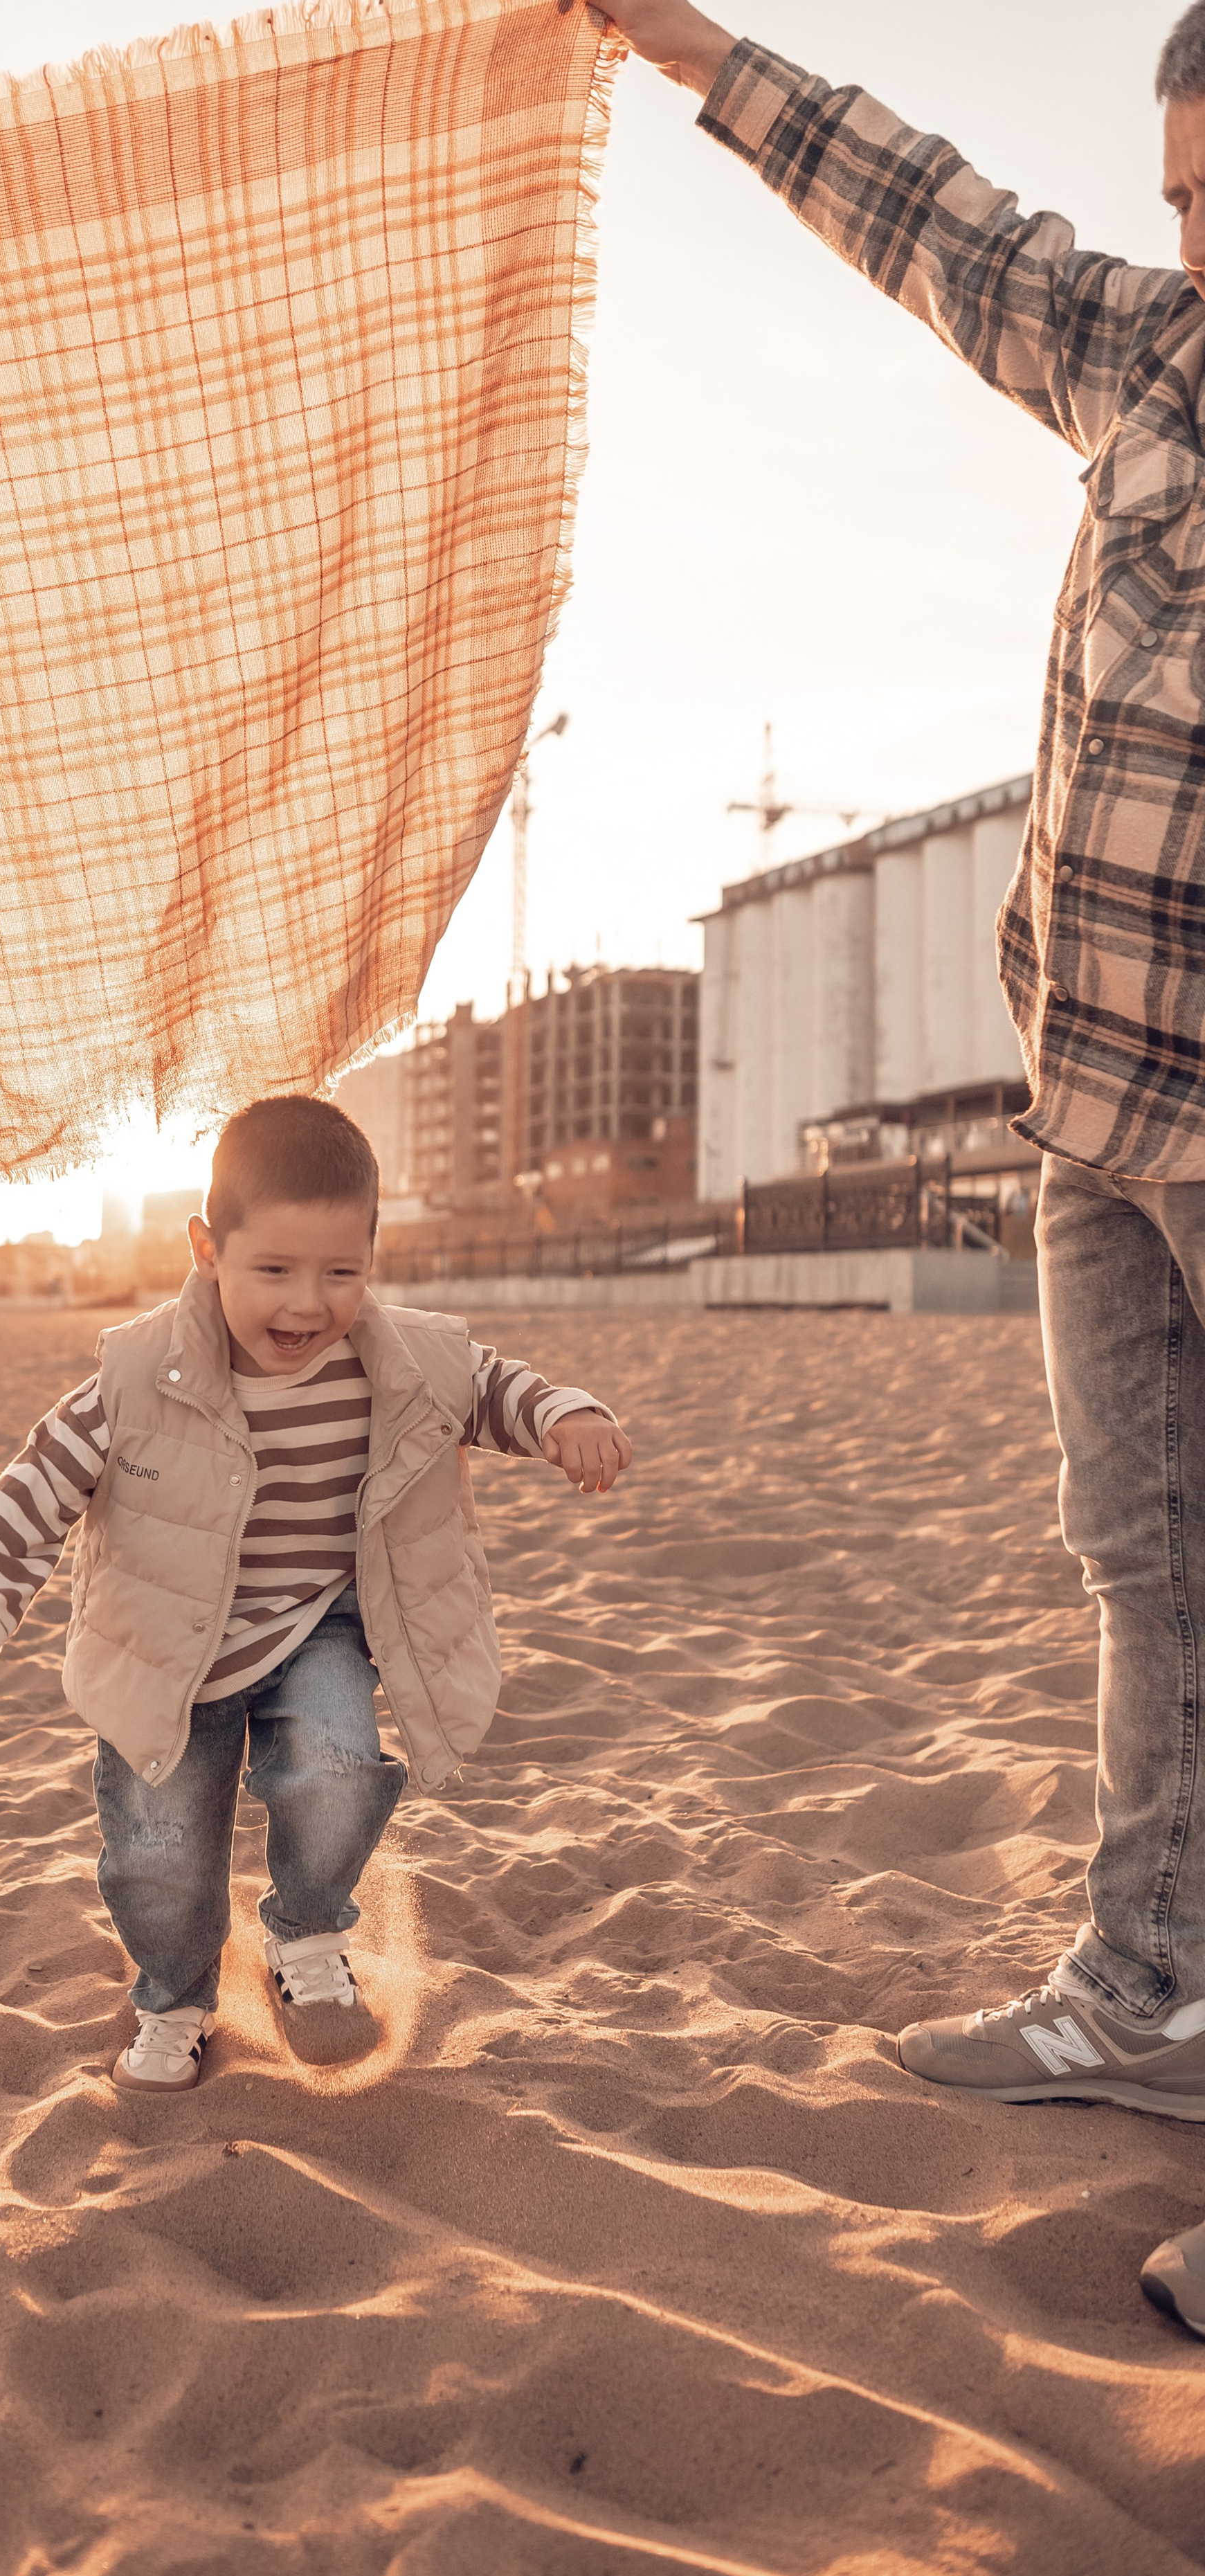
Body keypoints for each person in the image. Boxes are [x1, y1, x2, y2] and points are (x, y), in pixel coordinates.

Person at [600, 0, 1205, 2331]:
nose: (1196, 239)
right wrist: (684, 43)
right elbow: (934, 217)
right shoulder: (1145, 356)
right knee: (1147, 1569)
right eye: (1183, 198)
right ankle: (1144, 1992)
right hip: (1093, 1110)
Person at [0, 1096, 631, 2092]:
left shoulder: (402, 1359)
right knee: (159, 1856)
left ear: (373, 1255)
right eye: (276, 1271)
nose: (307, 1304)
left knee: (340, 1773)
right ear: (207, 1250)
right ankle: (175, 2001)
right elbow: (36, 1487)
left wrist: (566, 1417)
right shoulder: (137, 1376)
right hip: (171, 1652)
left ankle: (305, 1936)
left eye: (341, 1272)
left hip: (315, 1626)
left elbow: (490, 1386)